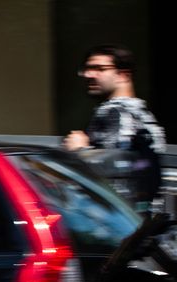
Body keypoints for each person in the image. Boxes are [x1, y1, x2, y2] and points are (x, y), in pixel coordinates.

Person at [63, 44, 166, 207]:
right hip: (136, 214)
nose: (89, 74)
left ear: (123, 75)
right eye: (87, 69)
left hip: (117, 214)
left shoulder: (116, 113)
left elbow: (115, 171)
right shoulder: (141, 113)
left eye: (99, 68)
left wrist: (79, 150)